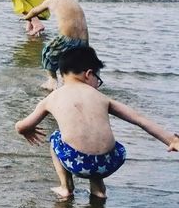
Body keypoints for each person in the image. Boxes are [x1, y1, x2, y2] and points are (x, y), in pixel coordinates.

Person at [14, 46, 179, 200]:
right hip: (109, 163)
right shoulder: (102, 98)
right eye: (97, 79)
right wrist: (172, 140)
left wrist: (25, 131)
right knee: (99, 140)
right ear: (88, 74)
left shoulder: (51, 98)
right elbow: (140, 120)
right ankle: (98, 190)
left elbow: (22, 126)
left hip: (76, 163)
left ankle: (65, 187)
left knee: (56, 137)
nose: (97, 84)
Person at [22, 0, 89, 90]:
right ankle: (73, 82)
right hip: (84, 41)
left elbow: (34, 11)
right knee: (74, 62)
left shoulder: (52, 0)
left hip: (67, 39)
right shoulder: (74, 2)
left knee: (47, 53)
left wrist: (27, 18)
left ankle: (52, 81)